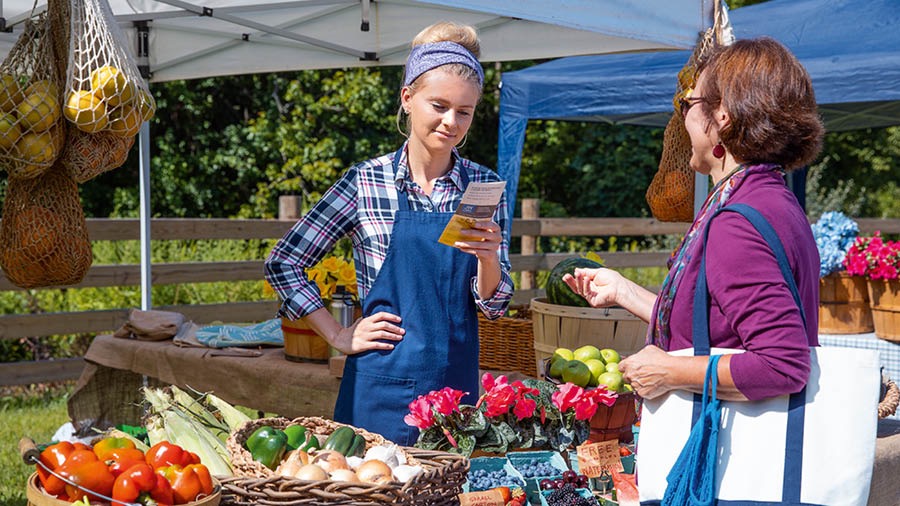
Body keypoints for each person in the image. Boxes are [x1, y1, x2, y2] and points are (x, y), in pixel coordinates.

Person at [264, 22, 513, 445]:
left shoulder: (483, 187)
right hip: (378, 390)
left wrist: (489, 260)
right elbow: (284, 262)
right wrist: (338, 335)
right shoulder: (365, 182)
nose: (451, 122)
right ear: (408, 98)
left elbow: (495, 305)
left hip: (457, 395)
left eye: (464, 111)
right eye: (439, 105)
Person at [564, 37, 824, 402]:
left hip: (732, 451)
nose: (683, 115)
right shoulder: (770, 197)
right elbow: (714, 328)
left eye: (689, 103)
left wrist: (668, 371)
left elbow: (782, 364)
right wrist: (623, 291)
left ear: (722, 116)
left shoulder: (738, 221)